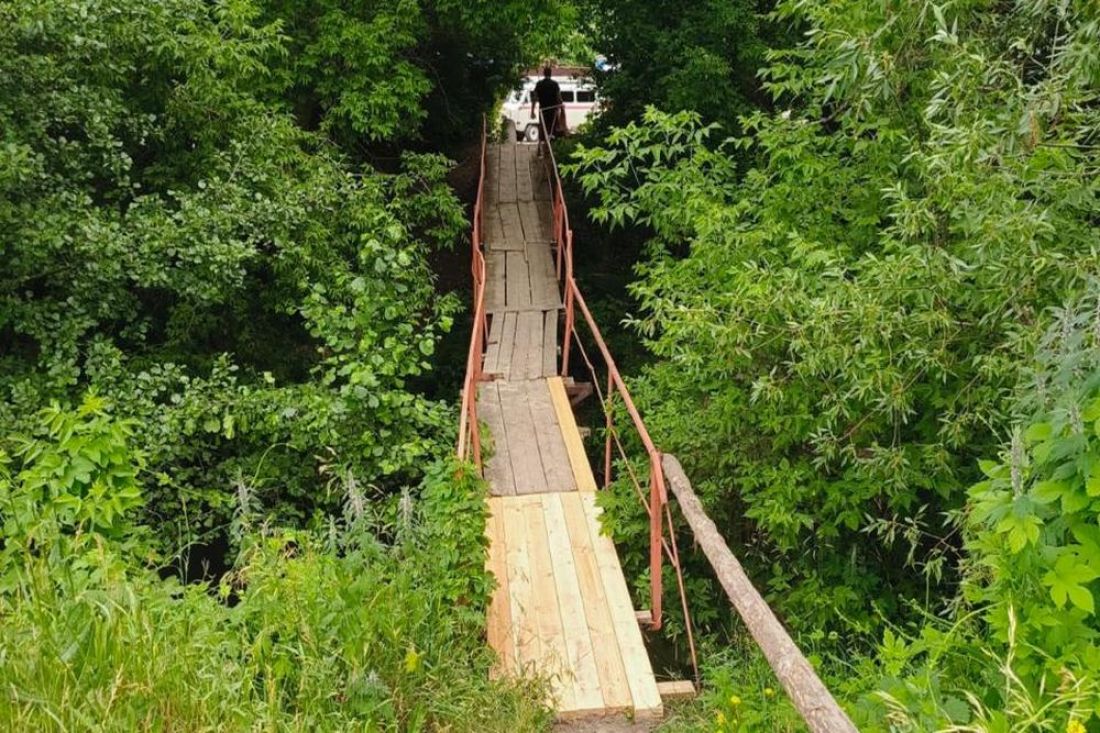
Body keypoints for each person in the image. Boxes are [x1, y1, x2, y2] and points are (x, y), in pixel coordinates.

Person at [530, 65, 562, 157]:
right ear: (550, 74)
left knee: (542, 129)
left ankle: (540, 150)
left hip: (543, 110)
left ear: (544, 73)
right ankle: (552, 150)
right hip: (553, 111)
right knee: (552, 129)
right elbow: (559, 98)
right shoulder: (555, 84)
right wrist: (560, 107)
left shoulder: (539, 84)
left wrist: (532, 111)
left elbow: (535, 98)